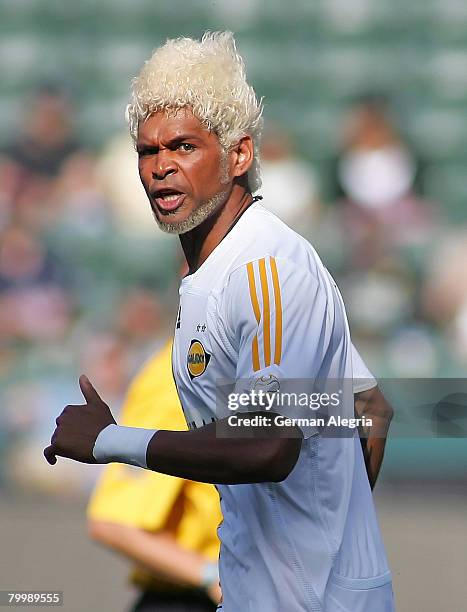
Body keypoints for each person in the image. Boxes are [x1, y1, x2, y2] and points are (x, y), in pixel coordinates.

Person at [45, 32, 394, 611]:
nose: (160, 168)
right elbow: (368, 407)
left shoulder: (264, 268)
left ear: (238, 155)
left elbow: (267, 448)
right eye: (147, 152)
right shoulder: (214, 271)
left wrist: (110, 440)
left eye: (183, 147)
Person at [87, 340, 222, 611]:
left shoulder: (267, 365)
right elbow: (115, 522)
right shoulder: (180, 374)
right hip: (192, 599)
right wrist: (214, 578)